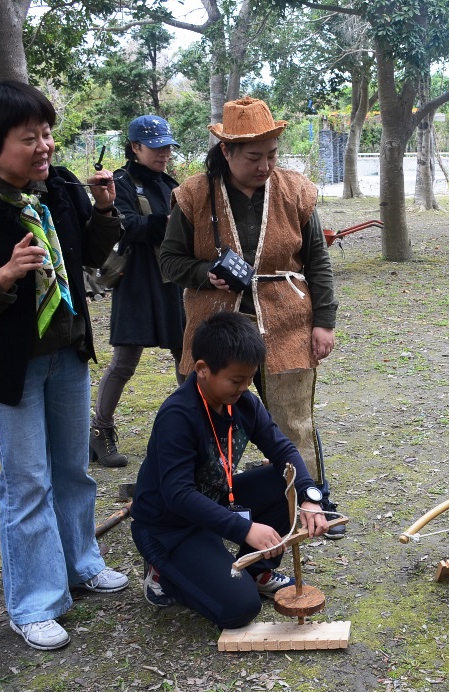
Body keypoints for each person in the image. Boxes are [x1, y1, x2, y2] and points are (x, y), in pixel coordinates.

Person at [0, 81, 129, 652]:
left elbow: (90, 255)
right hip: (7, 368)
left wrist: (105, 211)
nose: (44, 147)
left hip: (65, 352)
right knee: (27, 483)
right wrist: (5, 276)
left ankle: (82, 563)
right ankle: (33, 603)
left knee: (71, 470)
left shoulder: (58, 189)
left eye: (46, 134)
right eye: (28, 139)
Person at [157, 97, 344, 539]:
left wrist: (324, 320)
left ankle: (311, 503)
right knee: (210, 422)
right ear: (227, 152)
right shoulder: (193, 195)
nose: (265, 166)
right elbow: (169, 261)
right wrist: (206, 273)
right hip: (217, 329)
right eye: (254, 157)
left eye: (272, 155)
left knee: (293, 418)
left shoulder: (296, 191)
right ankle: (207, 506)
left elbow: (317, 260)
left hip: (286, 322)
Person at [129, 312, 329, 626]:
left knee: (284, 484)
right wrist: (245, 529)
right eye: (236, 380)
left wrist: (308, 496)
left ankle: (256, 571)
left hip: (214, 504)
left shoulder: (243, 404)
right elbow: (178, 494)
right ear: (202, 370)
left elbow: (284, 450)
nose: (244, 387)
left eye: (249, 379)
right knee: (239, 609)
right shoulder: (178, 417)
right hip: (169, 527)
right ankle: (163, 575)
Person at [89, 115, 185, 468]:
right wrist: (168, 224)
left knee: (185, 355)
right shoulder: (120, 182)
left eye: (167, 147)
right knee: (125, 361)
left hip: (172, 281)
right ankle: (99, 433)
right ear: (135, 148)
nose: (163, 153)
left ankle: (195, 428)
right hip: (136, 282)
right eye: (156, 147)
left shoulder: (170, 183)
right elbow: (123, 225)